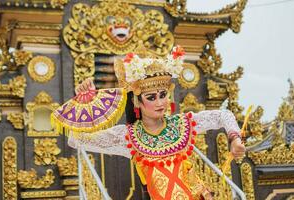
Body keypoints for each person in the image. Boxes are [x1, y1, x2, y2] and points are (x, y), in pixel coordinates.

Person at [68, 46, 246, 200]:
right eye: (151, 97)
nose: (160, 102)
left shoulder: (181, 124)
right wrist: (83, 103)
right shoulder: (128, 137)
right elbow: (76, 139)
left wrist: (235, 138)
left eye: (163, 95)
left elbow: (224, 115)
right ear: (137, 102)